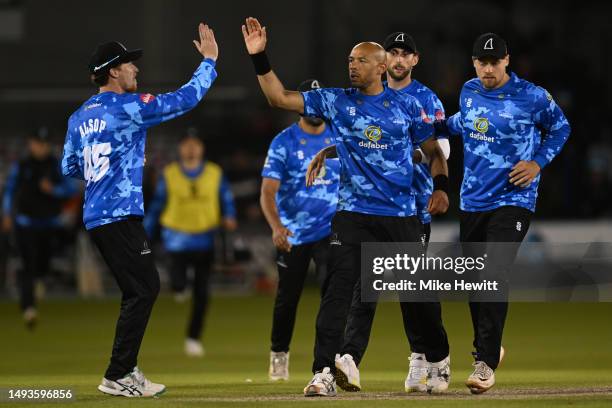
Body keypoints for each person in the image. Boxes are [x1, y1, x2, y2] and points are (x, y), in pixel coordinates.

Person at [241, 17, 450, 397]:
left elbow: (434, 151)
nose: (352, 65)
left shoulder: (406, 106)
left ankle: (438, 357)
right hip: (352, 214)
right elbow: (279, 97)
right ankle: (323, 371)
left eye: (361, 60)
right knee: (338, 294)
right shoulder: (336, 100)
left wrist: (440, 187)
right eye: (350, 60)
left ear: (381, 67)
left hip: (400, 214)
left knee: (418, 297)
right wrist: (259, 57)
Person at [61, 22, 219, 397]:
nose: (136, 69)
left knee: (141, 288)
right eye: (129, 64)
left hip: (97, 213)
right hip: (119, 213)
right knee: (144, 289)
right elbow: (184, 99)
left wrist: (105, 163)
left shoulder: (78, 116)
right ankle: (119, 374)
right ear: (113, 70)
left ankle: (123, 371)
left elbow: (68, 167)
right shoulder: (128, 106)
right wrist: (209, 62)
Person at [444, 33, 570, 394]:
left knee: (493, 269)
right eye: (481, 62)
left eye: (494, 61)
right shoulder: (469, 91)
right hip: (471, 202)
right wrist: (421, 128)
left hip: (514, 199)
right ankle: (489, 346)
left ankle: (484, 364)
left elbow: (561, 127)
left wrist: (537, 163)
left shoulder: (531, 96)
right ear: (473, 63)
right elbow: (461, 123)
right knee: (474, 281)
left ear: (506, 61)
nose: (487, 68)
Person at [340, 31, 452, 394]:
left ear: (414, 61)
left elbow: (443, 149)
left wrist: (407, 158)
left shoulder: (425, 99)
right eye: (394, 52)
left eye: (407, 54)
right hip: (371, 208)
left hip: (413, 206)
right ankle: (348, 358)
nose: (400, 59)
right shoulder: (363, 96)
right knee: (365, 285)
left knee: (412, 288)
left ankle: (427, 357)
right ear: (384, 61)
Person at [260, 79, 340, 381]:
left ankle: (328, 360)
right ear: (302, 107)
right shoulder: (283, 142)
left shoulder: (338, 136)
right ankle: (279, 353)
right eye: (312, 103)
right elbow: (268, 192)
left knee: (332, 294)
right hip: (293, 232)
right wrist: (277, 226)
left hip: (331, 230)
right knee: (287, 298)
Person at [144, 128, 237, 358]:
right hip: (176, 238)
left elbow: (226, 197)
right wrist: (145, 229)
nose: (191, 148)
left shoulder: (214, 173)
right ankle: (178, 286)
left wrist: (230, 216)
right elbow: (157, 204)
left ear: (202, 147)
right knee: (178, 282)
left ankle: (193, 337)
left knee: (203, 293)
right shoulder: (170, 173)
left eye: (195, 143)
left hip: (206, 237)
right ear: (180, 148)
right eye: (186, 144)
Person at [2, 127, 76, 329]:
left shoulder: (56, 165)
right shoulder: (22, 166)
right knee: (28, 265)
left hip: (49, 224)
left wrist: (54, 189)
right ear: (30, 144)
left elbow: (71, 189)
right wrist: (7, 214)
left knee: (43, 264)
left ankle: (39, 280)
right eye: (37, 142)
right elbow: (10, 191)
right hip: (26, 224)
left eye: (44, 143)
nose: (40, 147)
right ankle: (28, 308)